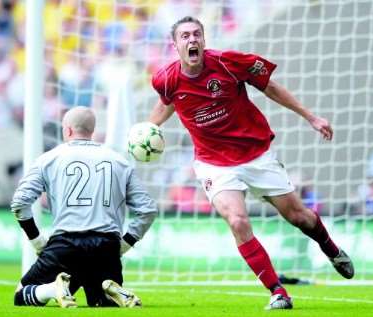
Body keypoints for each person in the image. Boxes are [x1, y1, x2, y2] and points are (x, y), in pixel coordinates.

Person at [149, 16, 354, 310]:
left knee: (299, 218)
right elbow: (167, 101)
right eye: (185, 36)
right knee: (237, 221)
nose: (192, 40)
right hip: (213, 163)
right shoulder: (164, 79)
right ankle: (278, 292)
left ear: (204, 40)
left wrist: (310, 116)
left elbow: (270, 87)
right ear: (175, 44)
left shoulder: (228, 63)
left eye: (197, 34)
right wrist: (146, 129)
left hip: (255, 154)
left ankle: (331, 249)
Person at [10, 106, 158, 308]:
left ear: (68, 130)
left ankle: (53, 289)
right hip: (106, 247)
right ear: (92, 131)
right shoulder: (120, 161)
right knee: (101, 302)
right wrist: (124, 245)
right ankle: (110, 291)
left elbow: (19, 203)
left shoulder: (48, 159)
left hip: (66, 244)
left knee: (21, 295)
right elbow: (148, 210)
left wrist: (37, 242)